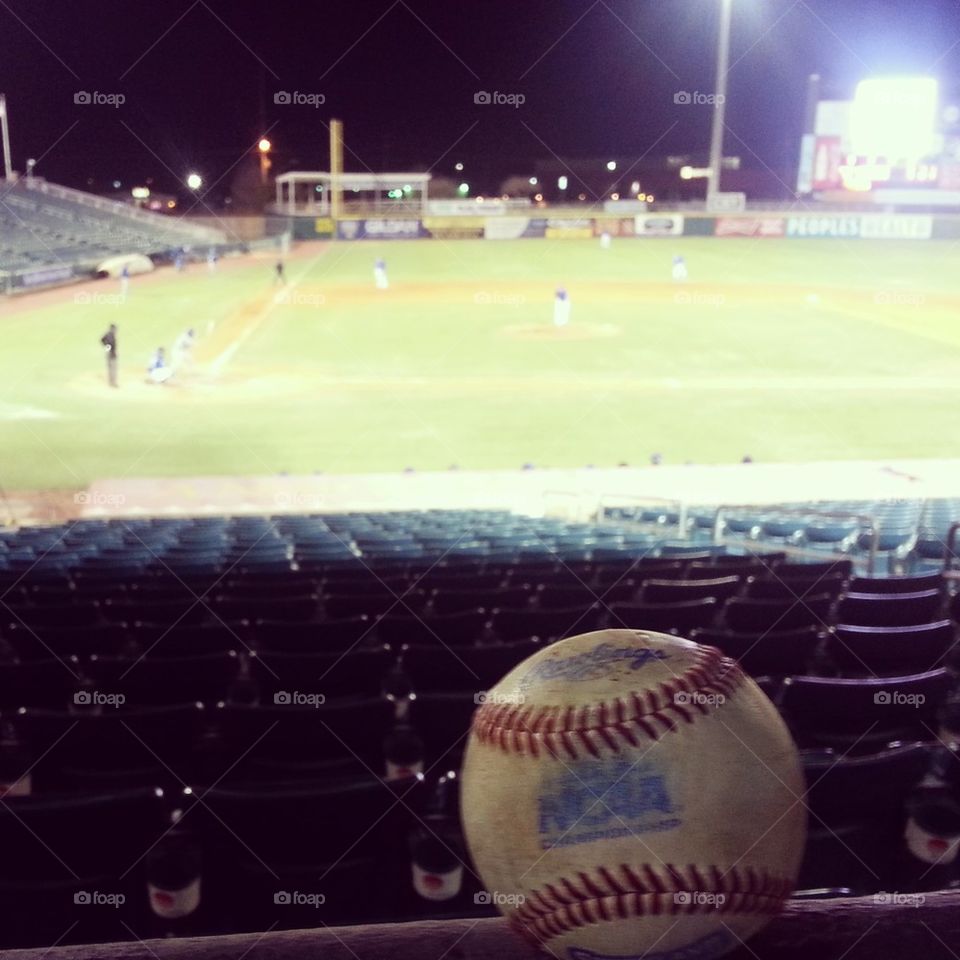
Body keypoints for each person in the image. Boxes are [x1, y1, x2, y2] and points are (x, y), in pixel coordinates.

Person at [100, 323, 118, 388]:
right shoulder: (111, 335)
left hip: (110, 352)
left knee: (111, 367)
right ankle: (113, 382)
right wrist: (107, 346)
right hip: (112, 353)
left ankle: (112, 381)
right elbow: (104, 340)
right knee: (113, 368)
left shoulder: (108, 334)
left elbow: (102, 340)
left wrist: (106, 346)